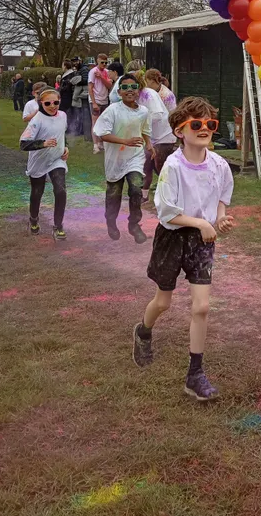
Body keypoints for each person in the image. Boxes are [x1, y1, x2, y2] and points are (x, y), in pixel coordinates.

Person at [133, 96, 234, 402]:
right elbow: (165, 213)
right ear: (179, 130)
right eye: (197, 123)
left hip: (202, 241)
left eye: (210, 124)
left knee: (201, 306)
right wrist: (202, 224)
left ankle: (195, 375)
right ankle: (144, 331)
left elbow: (221, 198)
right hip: (172, 237)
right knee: (162, 302)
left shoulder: (220, 165)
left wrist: (219, 220)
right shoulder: (172, 167)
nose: (205, 128)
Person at [93, 72, 152, 243]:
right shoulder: (113, 110)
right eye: (125, 87)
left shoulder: (143, 112)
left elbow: (145, 130)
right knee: (114, 194)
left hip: (135, 156)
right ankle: (111, 221)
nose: (130, 90)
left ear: (138, 90)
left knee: (135, 188)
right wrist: (125, 141)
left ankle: (134, 224)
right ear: (119, 92)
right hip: (115, 159)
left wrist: (149, 144)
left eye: (133, 87)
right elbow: (102, 134)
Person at [20, 87, 69, 241]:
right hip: (38, 162)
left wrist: (65, 147)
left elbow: (61, 134)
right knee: (37, 192)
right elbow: (23, 144)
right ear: (41, 103)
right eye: (48, 103)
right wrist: (43, 143)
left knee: (60, 190)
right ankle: (33, 219)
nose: (53, 106)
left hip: (56, 160)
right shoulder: (37, 120)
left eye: (56, 102)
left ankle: (58, 226)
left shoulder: (63, 115)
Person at [138, 72, 177, 203]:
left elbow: (159, 115)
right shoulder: (139, 94)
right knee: (146, 165)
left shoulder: (153, 94)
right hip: (152, 136)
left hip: (164, 135)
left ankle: (169, 197)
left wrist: (141, 122)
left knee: (161, 167)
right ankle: (144, 196)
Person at [89, 54, 112, 154]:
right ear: (97, 61)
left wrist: (102, 77)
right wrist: (93, 102)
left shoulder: (107, 72)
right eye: (102, 62)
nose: (104, 64)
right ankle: (95, 145)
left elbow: (109, 86)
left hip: (105, 100)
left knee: (103, 122)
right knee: (95, 122)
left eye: (106, 63)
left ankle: (101, 143)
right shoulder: (93, 71)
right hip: (96, 100)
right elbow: (90, 88)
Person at [58, 60, 76, 133]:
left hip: (67, 96)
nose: (62, 67)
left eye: (62, 65)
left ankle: (68, 129)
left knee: (66, 112)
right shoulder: (67, 74)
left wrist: (60, 90)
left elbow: (67, 87)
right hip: (65, 96)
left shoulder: (70, 75)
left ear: (65, 66)